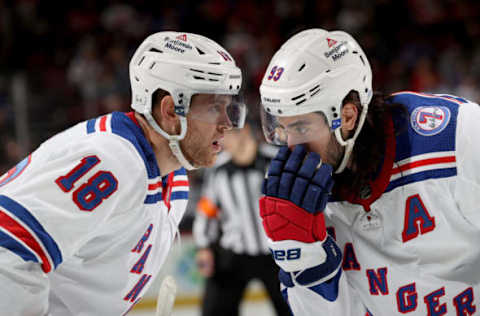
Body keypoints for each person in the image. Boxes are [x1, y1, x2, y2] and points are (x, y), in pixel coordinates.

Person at [0, 31, 246, 316]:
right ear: (169, 110)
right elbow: (7, 246)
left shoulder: (174, 177)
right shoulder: (111, 162)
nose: (227, 124)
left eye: (228, 108)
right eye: (215, 108)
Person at [258, 28, 480, 315]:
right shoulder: (300, 201)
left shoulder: (456, 136)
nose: (290, 146)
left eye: (301, 128)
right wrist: (303, 259)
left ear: (347, 115)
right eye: (281, 128)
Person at [193, 123, 290, 316]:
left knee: (295, 307)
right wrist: (204, 246)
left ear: (245, 131)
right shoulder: (218, 169)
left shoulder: (276, 160)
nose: (222, 141)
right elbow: (207, 210)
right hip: (234, 252)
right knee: (215, 309)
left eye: (228, 135)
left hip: (277, 254)